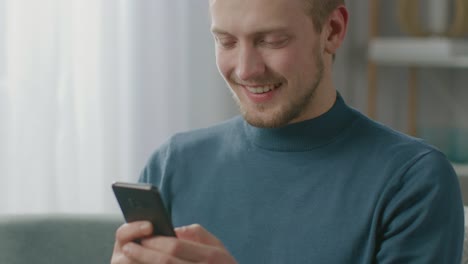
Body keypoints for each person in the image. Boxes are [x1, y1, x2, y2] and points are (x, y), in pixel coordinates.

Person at [111, 0, 464, 263]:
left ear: (333, 31)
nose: (246, 69)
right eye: (227, 42)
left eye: (272, 41)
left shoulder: (413, 180)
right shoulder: (172, 164)